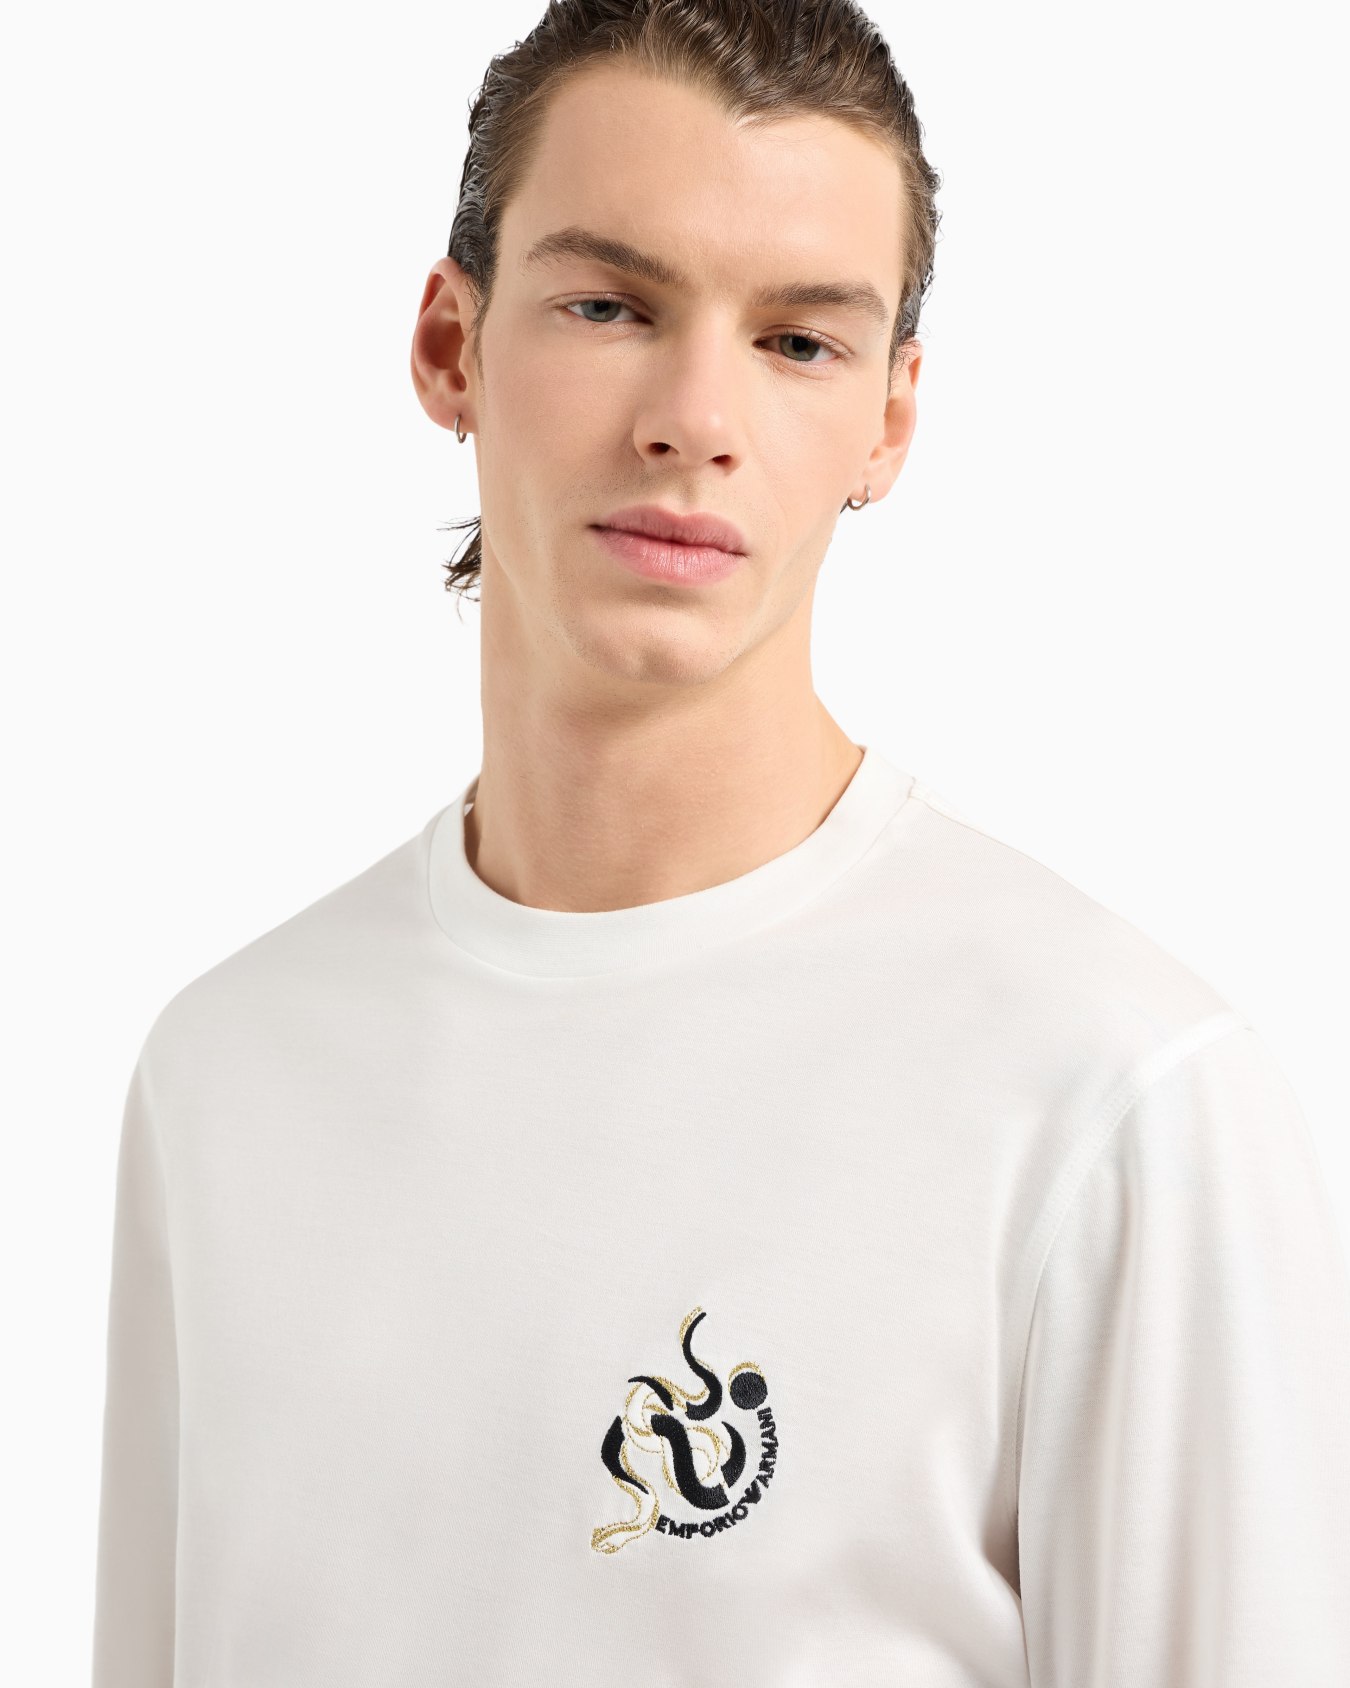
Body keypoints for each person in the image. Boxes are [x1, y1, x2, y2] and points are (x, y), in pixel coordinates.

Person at [91, 1, 1350, 1683]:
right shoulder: (230, 1072)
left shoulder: (1115, 1097)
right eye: (609, 305)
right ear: (451, 347)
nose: (692, 417)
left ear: (889, 421)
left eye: (797, 341)